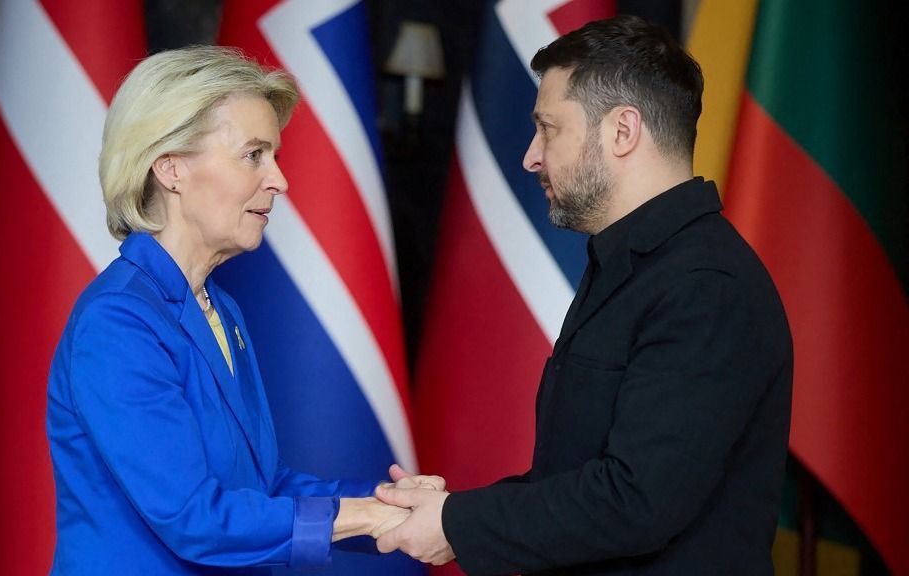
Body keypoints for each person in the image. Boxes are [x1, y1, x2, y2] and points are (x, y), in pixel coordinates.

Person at [374, 15, 793, 575]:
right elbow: (578, 473)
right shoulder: (630, 264)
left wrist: (456, 522)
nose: (531, 156)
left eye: (549, 128)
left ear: (622, 131)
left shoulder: (704, 285)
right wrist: (452, 513)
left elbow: (636, 500)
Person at [46, 46, 434, 575]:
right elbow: (193, 518)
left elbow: (260, 486)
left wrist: (387, 502)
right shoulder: (118, 322)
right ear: (171, 167)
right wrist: (362, 516)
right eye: (254, 154)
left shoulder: (219, 308)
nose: (279, 179)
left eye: (274, 155)